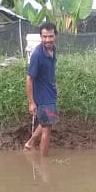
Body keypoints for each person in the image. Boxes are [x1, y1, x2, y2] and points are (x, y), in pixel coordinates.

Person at [24, 21, 59, 157]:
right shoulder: (37, 55)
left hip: (50, 93)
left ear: (55, 36)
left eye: (50, 36)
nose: (47, 40)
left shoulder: (53, 49)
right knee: (47, 129)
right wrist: (31, 102)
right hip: (43, 97)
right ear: (41, 37)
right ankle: (44, 165)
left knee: (47, 122)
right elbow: (29, 79)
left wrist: (53, 85)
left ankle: (30, 143)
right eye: (44, 37)